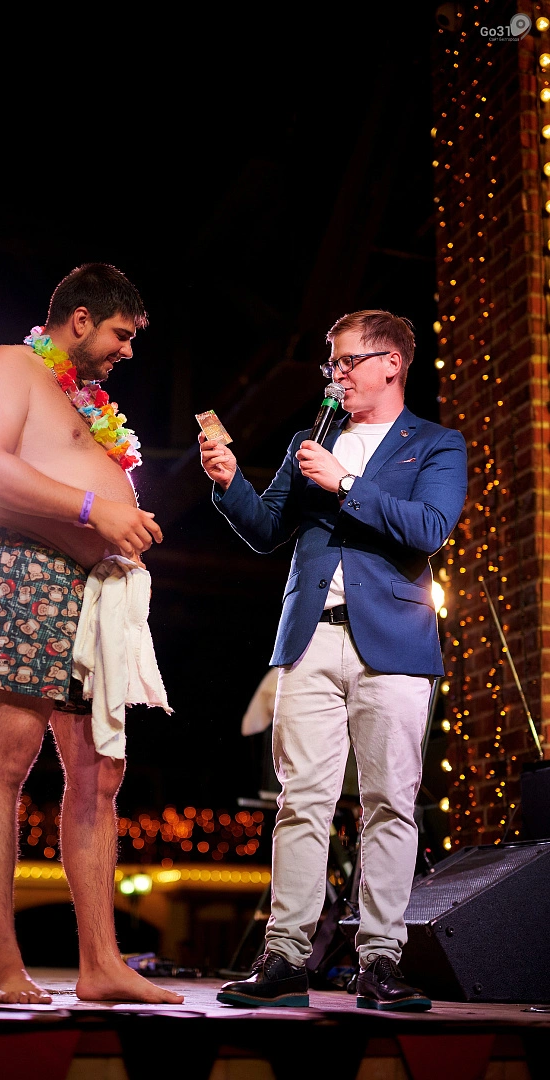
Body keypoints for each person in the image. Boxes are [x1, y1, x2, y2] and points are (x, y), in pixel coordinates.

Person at [200, 310, 467, 1011]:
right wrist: (230, 484)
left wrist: (347, 484)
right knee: (301, 801)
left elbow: (430, 529)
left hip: (395, 642)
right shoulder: (311, 438)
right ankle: (285, 957)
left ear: (392, 363)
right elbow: (267, 530)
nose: (336, 375)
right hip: (310, 637)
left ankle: (379, 961)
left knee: (390, 803)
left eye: (348, 361)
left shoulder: (435, 444)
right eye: (333, 364)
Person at [0, 262, 183, 1006]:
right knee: (9, 758)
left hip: (97, 593)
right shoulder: (10, 366)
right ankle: (4, 967)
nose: (127, 350)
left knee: (99, 776)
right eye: (121, 333)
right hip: (27, 568)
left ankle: (101, 965)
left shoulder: (83, 401)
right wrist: (96, 509)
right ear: (81, 319)